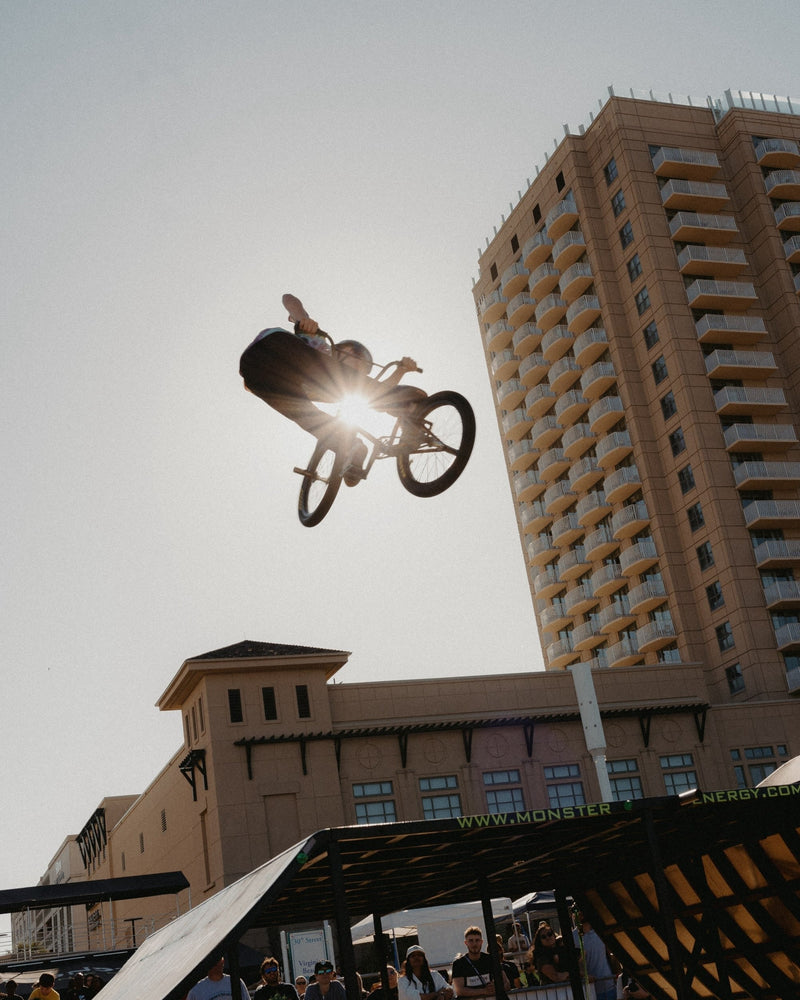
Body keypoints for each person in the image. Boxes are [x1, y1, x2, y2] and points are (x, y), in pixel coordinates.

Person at [240, 293, 422, 485]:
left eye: (364, 370)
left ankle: (351, 449)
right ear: (342, 350)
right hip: (272, 348)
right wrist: (304, 320)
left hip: (260, 379)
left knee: (306, 415)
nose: (359, 370)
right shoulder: (320, 345)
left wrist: (400, 371)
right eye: (358, 361)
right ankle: (409, 407)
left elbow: (377, 394)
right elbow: (290, 301)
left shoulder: (336, 389)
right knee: (337, 377)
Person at [451, 926, 509, 999]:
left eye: (477, 940)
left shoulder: (491, 959)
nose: (474, 944)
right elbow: (459, 991)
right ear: (466, 943)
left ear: (481, 942)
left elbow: (507, 983)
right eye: (471, 940)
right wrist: (483, 991)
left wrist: (496, 988)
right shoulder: (458, 964)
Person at [573, 916, 618, 1000]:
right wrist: (584, 975)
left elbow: (611, 955)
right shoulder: (572, 937)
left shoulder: (601, 931)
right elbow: (570, 966)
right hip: (590, 991)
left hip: (609, 986)